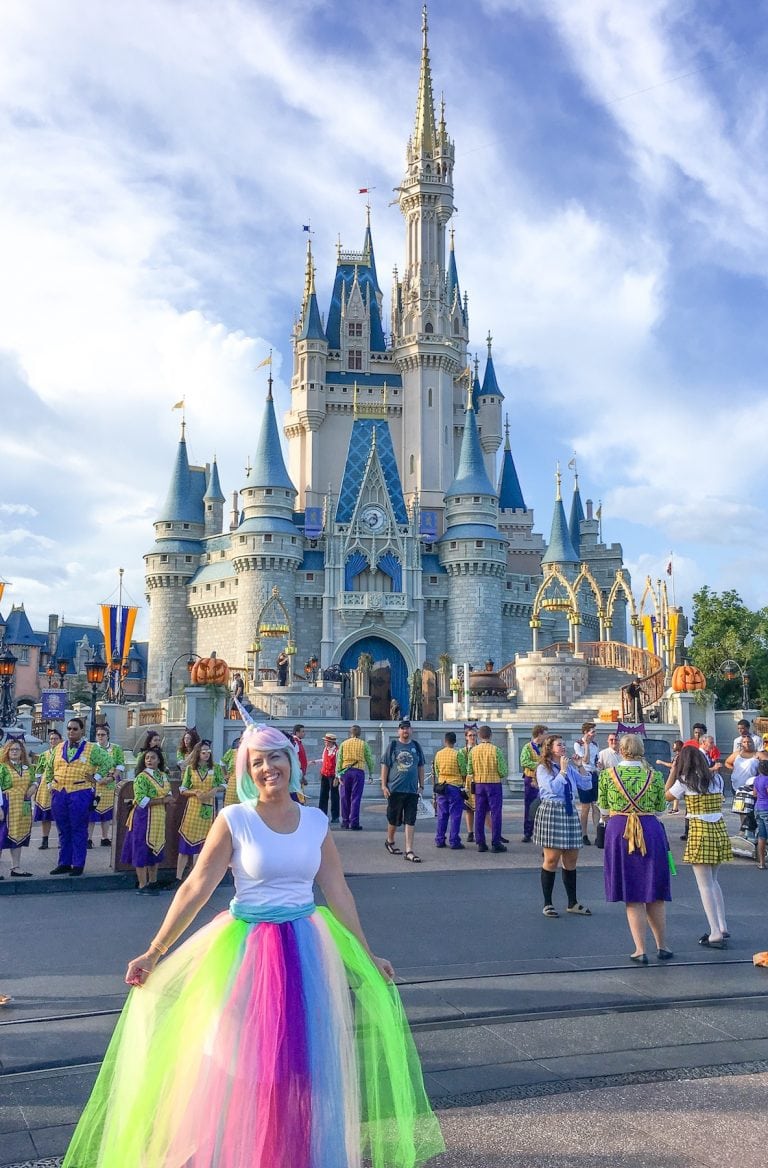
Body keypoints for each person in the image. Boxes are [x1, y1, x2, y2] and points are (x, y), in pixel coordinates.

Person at [62, 722, 444, 1168]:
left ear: (290, 761)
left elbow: (338, 892)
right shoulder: (235, 819)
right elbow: (196, 888)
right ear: (246, 770)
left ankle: (292, 1155)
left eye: (274, 757)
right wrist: (155, 950)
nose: (267, 768)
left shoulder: (316, 821)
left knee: (301, 1068)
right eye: (256, 761)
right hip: (247, 954)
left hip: (306, 951)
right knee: (241, 1067)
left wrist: (366, 953)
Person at [598, 734, 671, 963]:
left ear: (621, 750)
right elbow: (660, 808)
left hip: (620, 829)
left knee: (632, 892)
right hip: (650, 828)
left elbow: (604, 808)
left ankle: (640, 949)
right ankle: (662, 945)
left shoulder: (608, 776)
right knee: (654, 890)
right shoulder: (654, 775)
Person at [666, 744, 732, 947]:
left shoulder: (685, 781)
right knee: (714, 881)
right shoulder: (717, 779)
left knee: (704, 886)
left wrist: (672, 772)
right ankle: (722, 925)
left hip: (699, 830)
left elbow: (667, 795)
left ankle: (714, 932)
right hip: (719, 829)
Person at [533, 734, 593, 918]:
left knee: (571, 858)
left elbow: (586, 785)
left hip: (568, 811)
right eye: (559, 745)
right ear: (550, 748)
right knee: (551, 859)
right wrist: (563, 772)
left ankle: (572, 902)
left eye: (564, 744)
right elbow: (552, 789)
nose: (563, 747)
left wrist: (580, 766)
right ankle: (548, 903)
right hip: (552, 810)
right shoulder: (543, 768)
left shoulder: (567, 766)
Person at [48, 717, 112, 876]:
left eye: (75, 729)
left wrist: (97, 778)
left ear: (82, 731)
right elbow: (48, 767)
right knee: (63, 829)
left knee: (78, 828)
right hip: (60, 792)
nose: (71, 731)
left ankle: (78, 864)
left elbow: (108, 762)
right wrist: (50, 784)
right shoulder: (59, 747)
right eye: (69, 728)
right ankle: (64, 862)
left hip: (80, 792)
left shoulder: (92, 748)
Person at [121, 747, 175, 895]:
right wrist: (164, 799)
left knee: (156, 847)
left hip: (158, 816)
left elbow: (168, 791)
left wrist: (169, 799)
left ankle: (153, 881)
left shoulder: (163, 775)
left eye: (153, 758)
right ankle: (142, 884)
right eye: (147, 758)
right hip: (143, 817)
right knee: (141, 849)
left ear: (159, 760)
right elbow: (141, 800)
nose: (149, 760)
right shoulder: (141, 778)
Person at [176, 740, 225, 882]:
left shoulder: (215, 768)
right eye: (203, 751)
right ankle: (179, 877)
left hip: (208, 808)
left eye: (208, 751)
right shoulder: (191, 769)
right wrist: (195, 792)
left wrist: (215, 790)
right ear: (197, 753)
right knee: (185, 844)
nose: (206, 754)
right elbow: (183, 789)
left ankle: (195, 877)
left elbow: (223, 784)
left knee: (202, 845)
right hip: (193, 808)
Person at [381, 719, 426, 863]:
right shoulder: (393, 746)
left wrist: (422, 785)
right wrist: (384, 785)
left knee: (410, 820)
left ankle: (409, 850)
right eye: (402, 728)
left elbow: (420, 766)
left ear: (411, 730)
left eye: (407, 728)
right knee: (393, 819)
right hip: (395, 789)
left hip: (412, 790)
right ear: (398, 731)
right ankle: (390, 840)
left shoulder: (416, 746)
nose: (405, 731)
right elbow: (385, 765)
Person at [467, 725, 508, 853]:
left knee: (479, 812)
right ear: (490, 735)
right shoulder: (496, 750)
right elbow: (503, 771)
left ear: (479, 736)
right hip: (494, 784)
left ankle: (480, 843)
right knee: (495, 813)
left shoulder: (473, 751)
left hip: (479, 784)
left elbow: (469, 770)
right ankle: (496, 842)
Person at [0, 741, 36, 877]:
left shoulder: (27, 767)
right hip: (6, 804)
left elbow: (33, 780)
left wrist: (34, 786)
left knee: (19, 834)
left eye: (17, 749)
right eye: (11, 750)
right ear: (7, 752)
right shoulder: (2, 768)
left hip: (23, 805)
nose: (14, 752)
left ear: (22, 752)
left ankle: (15, 867)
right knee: (1, 836)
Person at [88, 724, 125, 848]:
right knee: (91, 812)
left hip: (109, 784)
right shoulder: (91, 748)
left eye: (103, 735)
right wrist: (95, 778)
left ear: (108, 736)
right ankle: (88, 838)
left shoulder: (116, 749)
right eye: (98, 735)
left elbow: (120, 764)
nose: (100, 737)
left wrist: (112, 777)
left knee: (107, 813)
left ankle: (105, 837)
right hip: (94, 783)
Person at [336, 725, 374, 830]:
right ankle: (354, 822)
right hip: (358, 771)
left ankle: (345, 821)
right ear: (360, 733)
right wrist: (371, 773)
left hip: (345, 771)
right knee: (356, 797)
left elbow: (339, 760)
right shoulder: (364, 744)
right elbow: (370, 760)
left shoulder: (344, 744)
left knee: (344, 797)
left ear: (350, 733)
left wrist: (338, 774)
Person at [432, 731, 465, 850]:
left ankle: (440, 839)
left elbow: (436, 770)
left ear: (445, 741)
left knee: (442, 814)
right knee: (455, 815)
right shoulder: (458, 754)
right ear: (454, 741)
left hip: (441, 786)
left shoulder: (438, 754)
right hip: (455, 786)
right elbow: (463, 771)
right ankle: (454, 840)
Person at [32, 728, 62, 849]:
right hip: (46, 786)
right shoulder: (44, 755)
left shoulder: (64, 754)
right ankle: (45, 839)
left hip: (60, 784)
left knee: (61, 815)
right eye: (51, 739)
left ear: (60, 740)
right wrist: (36, 787)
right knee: (46, 816)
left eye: (55, 739)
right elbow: (38, 772)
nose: (53, 741)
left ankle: (61, 840)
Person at [573, 721, 600, 845]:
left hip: (594, 774)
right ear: (586, 732)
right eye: (592, 732)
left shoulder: (595, 744)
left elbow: (595, 761)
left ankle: (597, 834)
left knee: (596, 806)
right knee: (585, 806)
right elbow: (585, 759)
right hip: (584, 774)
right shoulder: (578, 744)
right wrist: (586, 745)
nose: (594, 734)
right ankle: (583, 834)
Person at [519, 724, 547, 843]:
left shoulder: (545, 747)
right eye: (545, 733)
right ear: (539, 734)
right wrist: (539, 765)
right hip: (531, 779)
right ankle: (527, 832)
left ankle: (541, 832)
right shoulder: (527, 747)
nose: (547, 736)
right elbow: (524, 761)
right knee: (530, 806)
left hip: (543, 779)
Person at [458, 726, 478, 842]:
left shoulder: (479, 748)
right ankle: (470, 832)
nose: (472, 738)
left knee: (481, 808)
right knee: (468, 808)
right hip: (467, 781)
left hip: (479, 780)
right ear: (466, 737)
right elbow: (462, 768)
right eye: (470, 735)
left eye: (474, 735)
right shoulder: (462, 751)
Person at [318, 732, 341, 823]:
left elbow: (338, 765)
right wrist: (315, 762)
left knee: (334, 796)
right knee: (323, 794)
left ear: (331, 742)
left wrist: (337, 777)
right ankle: (321, 814)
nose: (325, 743)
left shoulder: (337, 751)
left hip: (332, 775)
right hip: (325, 774)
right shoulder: (325, 749)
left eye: (326, 741)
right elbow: (324, 759)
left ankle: (335, 817)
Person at [753, 759, 768, 870]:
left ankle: (762, 863)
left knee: (762, 836)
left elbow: (754, 794)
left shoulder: (757, 779)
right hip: (767, 808)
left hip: (758, 807)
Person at [222, 734, 242, 808]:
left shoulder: (250, 753)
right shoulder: (232, 752)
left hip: (246, 783)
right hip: (232, 782)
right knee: (230, 807)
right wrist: (225, 775)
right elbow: (222, 762)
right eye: (240, 742)